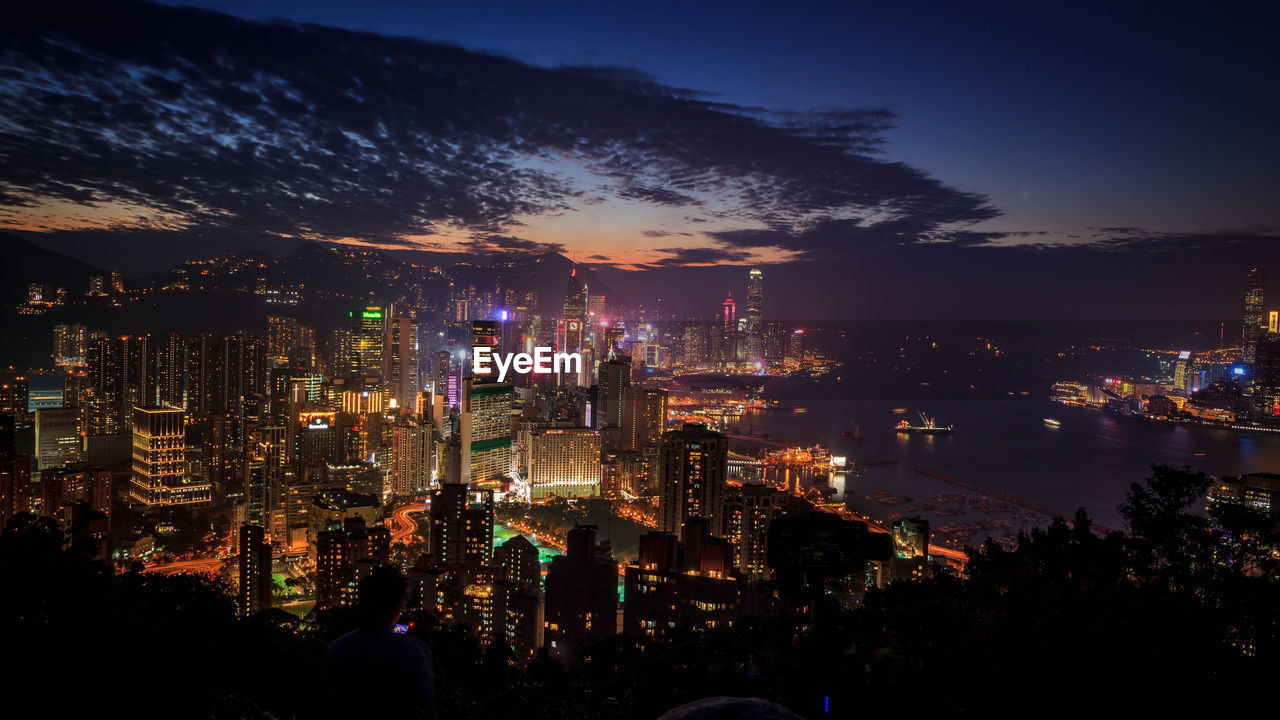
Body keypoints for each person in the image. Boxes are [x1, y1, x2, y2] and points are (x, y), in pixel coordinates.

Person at [319, 564, 437, 720]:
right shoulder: (412, 654)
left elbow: (325, 703)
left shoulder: (337, 649)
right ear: (396, 608)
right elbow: (428, 709)